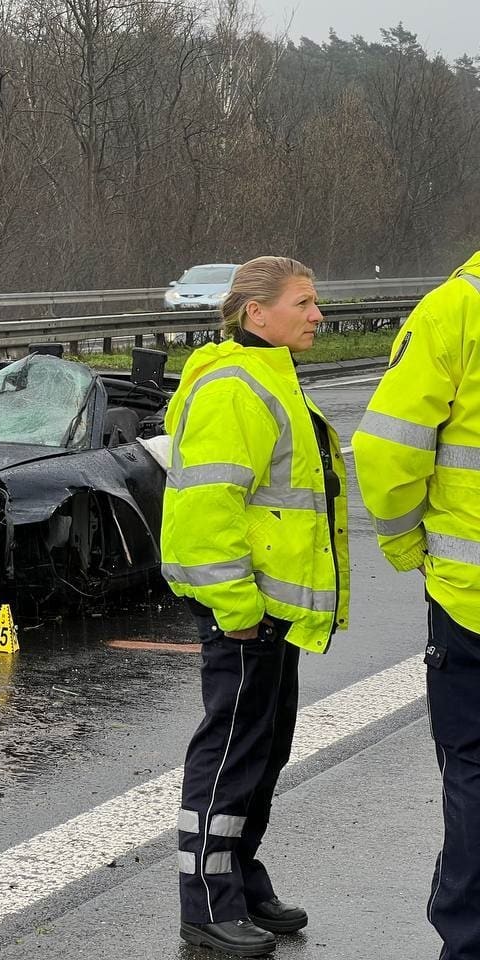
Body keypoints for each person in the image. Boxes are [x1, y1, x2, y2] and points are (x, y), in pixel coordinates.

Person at [161, 256, 350, 957]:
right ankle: (206, 904)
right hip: (244, 609)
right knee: (231, 754)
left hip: (274, 610)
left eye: (315, 300)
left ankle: (241, 879)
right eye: (303, 302)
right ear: (255, 314)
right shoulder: (236, 388)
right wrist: (236, 606)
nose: (316, 315)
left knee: (264, 753)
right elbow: (204, 513)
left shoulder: (271, 377)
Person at [351, 250, 480, 960]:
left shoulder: (457, 308)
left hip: (471, 600)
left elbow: (386, 448)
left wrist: (408, 548)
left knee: (473, 766)